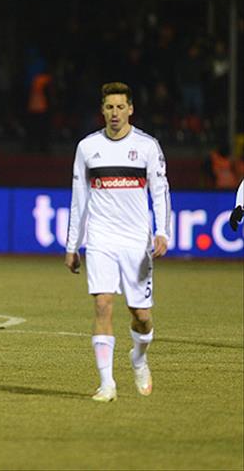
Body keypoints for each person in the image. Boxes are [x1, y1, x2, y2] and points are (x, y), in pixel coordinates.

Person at [65, 82, 171, 402]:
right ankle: (107, 384)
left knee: (141, 316)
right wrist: (72, 245)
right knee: (102, 304)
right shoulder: (87, 147)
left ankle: (138, 357)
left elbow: (160, 191)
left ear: (130, 109)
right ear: (102, 110)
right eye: (109, 107)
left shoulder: (147, 146)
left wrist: (162, 232)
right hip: (101, 238)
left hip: (136, 240)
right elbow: (79, 199)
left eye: (120, 107)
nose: (115, 113)